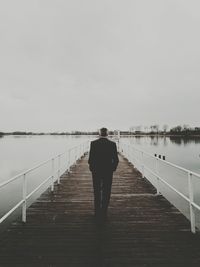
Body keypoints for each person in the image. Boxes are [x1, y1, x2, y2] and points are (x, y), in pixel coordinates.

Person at [88, 127, 119, 221]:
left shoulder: (93, 143)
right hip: (108, 171)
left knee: (97, 191)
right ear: (107, 134)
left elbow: (90, 159)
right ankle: (104, 212)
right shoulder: (112, 144)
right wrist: (112, 169)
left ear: (100, 134)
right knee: (106, 191)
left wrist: (92, 169)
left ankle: (97, 212)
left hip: (96, 171)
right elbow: (116, 160)